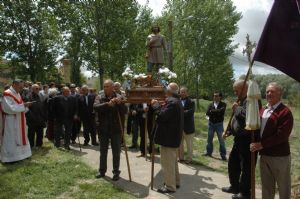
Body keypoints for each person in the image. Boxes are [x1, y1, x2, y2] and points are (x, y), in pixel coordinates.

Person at [250, 82, 293, 199]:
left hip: (279, 157)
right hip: (264, 155)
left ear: (280, 94)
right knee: (267, 187)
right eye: (267, 91)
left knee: (283, 187)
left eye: (272, 91)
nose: (268, 93)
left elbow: (282, 135)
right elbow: (257, 128)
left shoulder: (285, 112)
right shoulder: (262, 110)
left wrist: (261, 144)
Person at [222, 80, 257, 199]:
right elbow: (238, 122)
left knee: (246, 167)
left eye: (236, 90)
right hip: (238, 139)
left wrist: (236, 109)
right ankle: (235, 186)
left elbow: (247, 117)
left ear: (244, 89)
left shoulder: (252, 101)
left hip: (247, 140)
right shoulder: (241, 101)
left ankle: (245, 192)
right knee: (233, 163)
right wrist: (230, 130)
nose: (235, 92)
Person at [151, 82, 184, 193]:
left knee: (167, 164)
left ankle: (170, 187)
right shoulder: (176, 101)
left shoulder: (172, 102)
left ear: (169, 91)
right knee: (173, 162)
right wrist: (160, 106)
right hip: (172, 137)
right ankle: (176, 182)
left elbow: (162, 116)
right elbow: (167, 114)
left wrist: (155, 106)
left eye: (166, 89)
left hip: (168, 138)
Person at [94, 80, 127, 181]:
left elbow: (125, 111)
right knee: (103, 151)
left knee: (116, 152)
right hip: (103, 129)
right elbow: (95, 107)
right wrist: (107, 104)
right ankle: (102, 170)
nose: (105, 88)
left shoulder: (120, 96)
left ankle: (116, 172)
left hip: (116, 129)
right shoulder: (99, 96)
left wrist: (119, 104)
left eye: (107, 86)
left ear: (113, 87)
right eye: (104, 86)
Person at [0, 80, 32, 163]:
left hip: (19, 119)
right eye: (20, 87)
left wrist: (25, 106)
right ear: (14, 85)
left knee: (21, 136)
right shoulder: (7, 93)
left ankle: (21, 155)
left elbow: (18, 106)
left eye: (22, 87)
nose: (21, 89)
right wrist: (23, 105)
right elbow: (8, 108)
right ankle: (10, 158)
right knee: (11, 138)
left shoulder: (17, 93)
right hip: (11, 120)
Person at [204, 91, 227, 160]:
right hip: (211, 124)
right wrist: (215, 111)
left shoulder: (223, 104)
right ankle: (209, 152)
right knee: (209, 139)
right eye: (214, 96)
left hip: (219, 124)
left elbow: (221, 112)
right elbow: (207, 113)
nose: (215, 97)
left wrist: (212, 111)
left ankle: (223, 155)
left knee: (221, 140)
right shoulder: (210, 104)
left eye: (216, 96)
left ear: (220, 97)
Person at [178, 86, 195, 164]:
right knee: (180, 144)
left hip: (189, 127)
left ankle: (189, 159)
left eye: (184, 92)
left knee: (189, 145)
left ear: (187, 93)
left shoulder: (191, 101)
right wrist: (184, 112)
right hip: (179, 127)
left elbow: (190, 112)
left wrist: (180, 112)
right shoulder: (177, 101)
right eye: (181, 92)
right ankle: (181, 158)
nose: (182, 93)